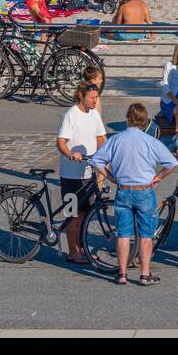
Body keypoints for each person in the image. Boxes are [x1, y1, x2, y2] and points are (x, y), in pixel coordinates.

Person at [89, 103, 178, 285]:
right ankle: (145, 274)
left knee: (123, 233)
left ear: (128, 119)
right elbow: (171, 162)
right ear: (145, 122)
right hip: (144, 190)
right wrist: (158, 177)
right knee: (146, 235)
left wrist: (111, 177)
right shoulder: (150, 141)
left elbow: (96, 160)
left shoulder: (116, 139)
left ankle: (122, 273)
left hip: (123, 189)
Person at [56, 81, 107, 264]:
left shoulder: (94, 114)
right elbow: (61, 141)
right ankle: (72, 252)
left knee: (84, 213)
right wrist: (70, 154)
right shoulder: (71, 114)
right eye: (92, 97)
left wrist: (108, 154)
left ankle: (80, 248)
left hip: (88, 173)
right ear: (81, 96)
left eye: (96, 97)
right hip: (71, 174)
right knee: (73, 214)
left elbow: (101, 138)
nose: (95, 101)